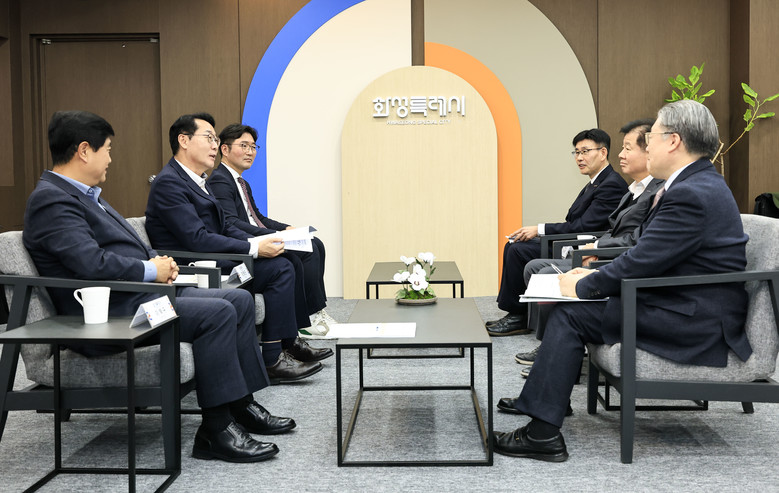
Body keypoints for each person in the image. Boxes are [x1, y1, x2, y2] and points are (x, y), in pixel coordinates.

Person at [24, 110, 295, 463]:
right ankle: (215, 431)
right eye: (107, 150)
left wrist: (160, 265)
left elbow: (129, 248)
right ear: (84, 150)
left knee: (238, 300)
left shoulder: (87, 195)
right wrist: (150, 270)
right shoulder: (52, 199)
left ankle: (240, 405)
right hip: (111, 317)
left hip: (136, 299)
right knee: (217, 312)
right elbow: (91, 263)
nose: (110, 159)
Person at [493, 100, 752, 462]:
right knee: (574, 307)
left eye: (651, 137)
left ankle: (542, 434)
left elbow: (642, 261)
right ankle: (547, 404)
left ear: (673, 141)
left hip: (693, 318)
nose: (647, 145)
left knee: (571, 313)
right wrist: (593, 274)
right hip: (679, 300)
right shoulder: (695, 183)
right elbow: (649, 254)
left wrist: (583, 286)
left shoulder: (691, 193)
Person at [144, 113, 331, 385]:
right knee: (280, 268)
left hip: (215, 258)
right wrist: (253, 248)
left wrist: (259, 243)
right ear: (183, 140)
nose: (214, 145)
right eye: (209, 138)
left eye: (215, 139)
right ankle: (272, 359)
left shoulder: (198, 180)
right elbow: (198, 239)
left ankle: (285, 345)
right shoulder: (169, 182)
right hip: (195, 267)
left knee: (286, 261)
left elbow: (226, 227)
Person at [514, 119, 664, 369]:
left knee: (545, 272)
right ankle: (550, 341)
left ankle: (553, 345)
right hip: (606, 252)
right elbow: (611, 229)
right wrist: (597, 246)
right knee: (533, 265)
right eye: (577, 152)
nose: (620, 154)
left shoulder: (656, 192)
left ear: (649, 152)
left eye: (627, 148)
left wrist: (597, 249)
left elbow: (637, 238)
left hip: (618, 260)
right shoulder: (633, 189)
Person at [486, 129, 627, 336]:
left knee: (518, 250)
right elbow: (575, 223)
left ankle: (518, 316)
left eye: (585, 151)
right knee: (514, 245)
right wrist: (540, 232)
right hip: (572, 241)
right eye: (576, 152)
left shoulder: (611, 184)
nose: (579, 158)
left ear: (603, 152)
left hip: (582, 248)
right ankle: (517, 312)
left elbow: (584, 226)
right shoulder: (595, 183)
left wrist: (539, 230)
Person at [207, 123, 335, 337]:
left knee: (316, 243)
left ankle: (317, 310)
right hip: (246, 243)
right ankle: (309, 316)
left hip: (257, 235)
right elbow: (232, 223)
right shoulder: (220, 180)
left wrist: (285, 228)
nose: (250, 152)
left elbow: (258, 217)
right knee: (309, 249)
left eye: (253, 147)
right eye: (244, 146)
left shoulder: (241, 182)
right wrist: (276, 236)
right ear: (225, 149)